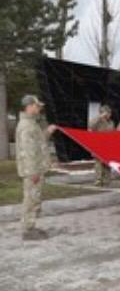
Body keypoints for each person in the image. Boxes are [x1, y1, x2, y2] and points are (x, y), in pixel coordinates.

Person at [15, 95, 58, 240]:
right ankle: (28, 230)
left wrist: (48, 131)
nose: (39, 108)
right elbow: (28, 152)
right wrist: (33, 172)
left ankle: (30, 226)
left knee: (34, 199)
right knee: (31, 200)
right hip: (32, 171)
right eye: (37, 105)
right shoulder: (26, 126)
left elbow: (38, 142)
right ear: (29, 106)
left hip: (36, 169)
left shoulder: (32, 123)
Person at [89, 105, 115, 186]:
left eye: (110, 113)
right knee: (99, 164)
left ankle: (107, 180)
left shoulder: (111, 122)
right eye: (107, 112)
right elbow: (91, 126)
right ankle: (98, 180)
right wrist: (99, 117)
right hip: (98, 145)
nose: (109, 114)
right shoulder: (97, 121)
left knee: (107, 164)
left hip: (108, 145)